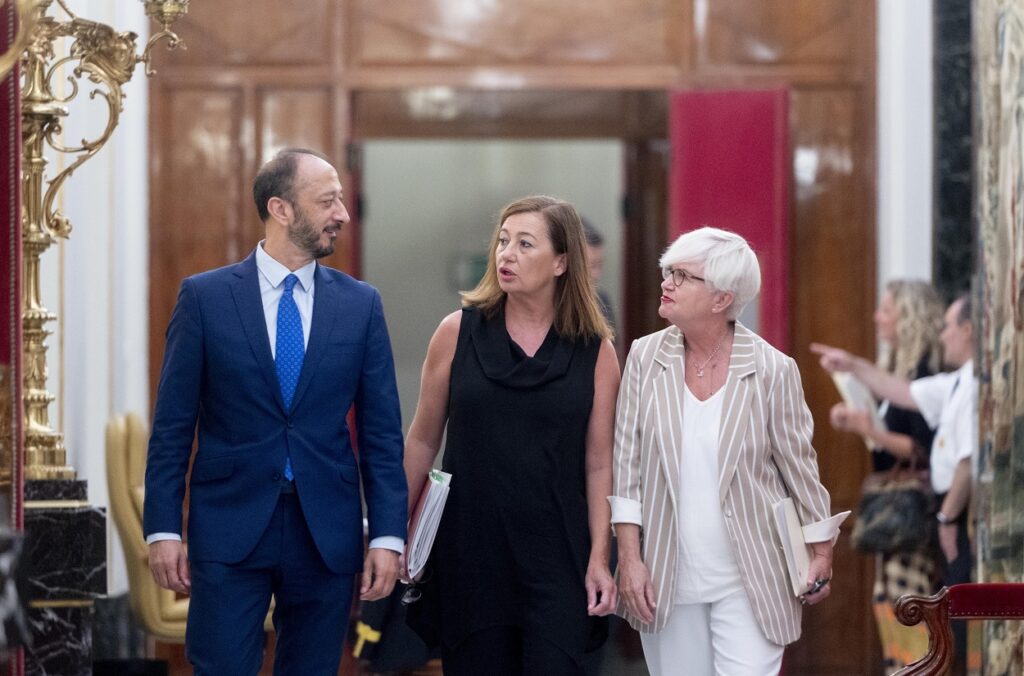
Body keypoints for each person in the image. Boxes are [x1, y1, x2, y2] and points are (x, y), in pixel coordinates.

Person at [143, 148, 408, 675]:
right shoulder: (205, 298)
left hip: (326, 532)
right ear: (281, 209)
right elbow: (173, 427)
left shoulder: (361, 306)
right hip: (229, 526)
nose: (343, 214)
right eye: (328, 200)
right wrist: (163, 529)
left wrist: (386, 535)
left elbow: (382, 434)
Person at [611, 226, 844, 676]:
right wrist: (629, 558)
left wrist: (820, 551)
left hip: (752, 576)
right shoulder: (643, 358)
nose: (667, 283)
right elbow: (627, 468)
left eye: (682, 275)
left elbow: (800, 469)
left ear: (722, 298)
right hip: (665, 574)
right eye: (667, 271)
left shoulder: (773, 369)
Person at [403, 195, 620, 675]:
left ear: (562, 261)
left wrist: (600, 558)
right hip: (470, 550)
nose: (506, 254)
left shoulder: (596, 351)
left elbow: (600, 463)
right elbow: (421, 441)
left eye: (525, 244)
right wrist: (393, 531)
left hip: (558, 557)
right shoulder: (455, 332)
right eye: (502, 241)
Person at [812, 293, 977, 675]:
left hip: (942, 513)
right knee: (899, 609)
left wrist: (947, 520)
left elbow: (945, 455)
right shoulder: (952, 381)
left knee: (922, 613)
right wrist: (851, 365)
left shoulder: (953, 377)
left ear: (968, 331)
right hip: (938, 512)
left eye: (950, 326)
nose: (943, 333)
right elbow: (901, 392)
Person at [581, 217, 616, 331]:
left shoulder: (601, 301)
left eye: (599, 265)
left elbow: (614, 346)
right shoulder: (545, 303)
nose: (597, 275)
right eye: (591, 266)